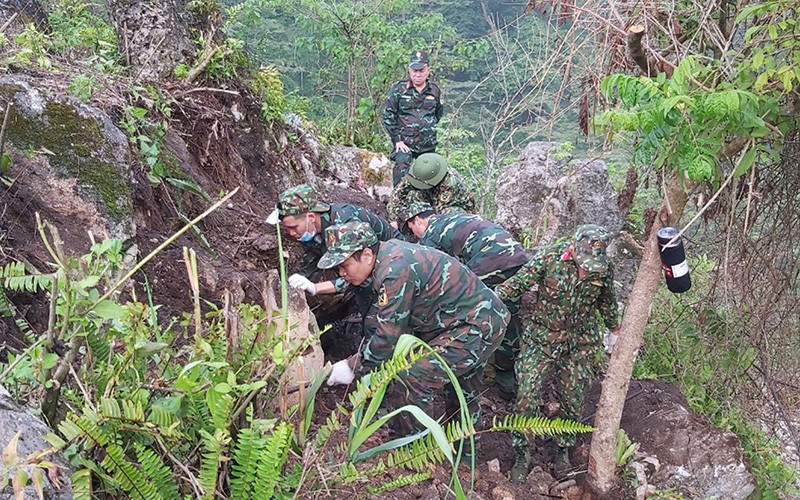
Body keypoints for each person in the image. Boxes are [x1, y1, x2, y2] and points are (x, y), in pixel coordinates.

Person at [320, 221, 509, 435]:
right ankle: (462, 456)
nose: (341, 273)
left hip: (477, 325)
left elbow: (388, 336)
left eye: (344, 266)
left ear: (366, 255)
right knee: (462, 390)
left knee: (413, 376)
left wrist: (351, 366)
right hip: (468, 322)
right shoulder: (385, 257)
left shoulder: (395, 271)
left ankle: (412, 451)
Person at [493, 224, 620, 481]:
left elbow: (606, 302)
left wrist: (615, 331)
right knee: (526, 394)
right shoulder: (549, 259)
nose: (586, 269)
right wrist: (484, 300)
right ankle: (522, 453)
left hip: (580, 343)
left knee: (573, 400)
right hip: (541, 339)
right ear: (572, 248)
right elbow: (516, 285)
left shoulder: (603, 269)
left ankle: (563, 449)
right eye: (583, 262)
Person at [400, 202, 530, 398]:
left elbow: (434, 277)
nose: (415, 236)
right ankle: (507, 378)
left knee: (473, 310)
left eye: (411, 229)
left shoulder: (430, 233)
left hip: (490, 260)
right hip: (516, 257)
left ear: (417, 220)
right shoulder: (454, 217)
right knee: (506, 313)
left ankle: (474, 364)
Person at [266, 184, 401, 300]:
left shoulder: (346, 224)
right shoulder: (312, 229)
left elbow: (358, 272)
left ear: (311, 217)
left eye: (293, 227)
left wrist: (315, 288)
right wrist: (299, 278)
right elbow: (313, 255)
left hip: (393, 259)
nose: (291, 233)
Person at [382, 49, 444, 185]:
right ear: (409, 70)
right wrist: (397, 140)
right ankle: (398, 203)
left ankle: (425, 204)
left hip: (428, 146)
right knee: (401, 170)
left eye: (421, 70)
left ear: (428, 69)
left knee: (433, 176)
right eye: (414, 70)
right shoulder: (399, 89)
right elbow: (388, 115)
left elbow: (438, 114)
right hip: (405, 144)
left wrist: (426, 130)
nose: (417, 74)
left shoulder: (434, 90)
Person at [387, 152, 476, 227]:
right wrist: (393, 220)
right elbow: (397, 195)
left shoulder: (450, 183)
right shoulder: (417, 174)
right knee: (414, 195)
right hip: (432, 198)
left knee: (448, 213)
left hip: (455, 208)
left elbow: (439, 212)